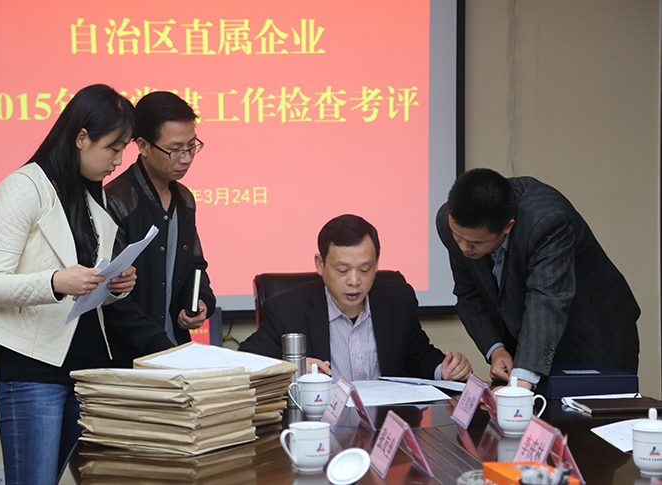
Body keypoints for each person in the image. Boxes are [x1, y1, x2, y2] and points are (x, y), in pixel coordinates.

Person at [0, 84, 175, 485]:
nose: (118, 161)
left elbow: (88, 282)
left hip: (89, 367)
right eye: (112, 148)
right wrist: (55, 282)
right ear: (81, 137)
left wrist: (116, 285)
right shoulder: (23, 187)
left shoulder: (89, 193)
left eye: (122, 150)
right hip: (34, 370)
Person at [436, 168, 640, 390]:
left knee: (590, 411)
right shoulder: (450, 223)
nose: (464, 248)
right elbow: (469, 294)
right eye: (458, 238)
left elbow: (547, 299)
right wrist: (496, 349)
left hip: (591, 334)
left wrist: (520, 384)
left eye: (476, 243)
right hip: (529, 338)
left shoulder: (547, 220)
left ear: (508, 226)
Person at [239, 214, 472, 383]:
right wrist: (293, 367)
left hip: (384, 423)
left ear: (377, 263)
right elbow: (243, 361)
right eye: (342, 270)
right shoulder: (287, 309)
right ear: (320, 264)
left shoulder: (398, 300)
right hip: (320, 425)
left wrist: (443, 370)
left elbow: (417, 355)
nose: (354, 281)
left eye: (365, 269)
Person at [105, 91, 215, 365]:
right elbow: (111, 294)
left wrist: (201, 302)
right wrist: (160, 345)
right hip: (129, 360)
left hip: (175, 352)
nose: (186, 158)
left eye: (192, 146)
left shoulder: (184, 199)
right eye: (175, 149)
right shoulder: (117, 200)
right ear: (143, 145)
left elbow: (196, 267)